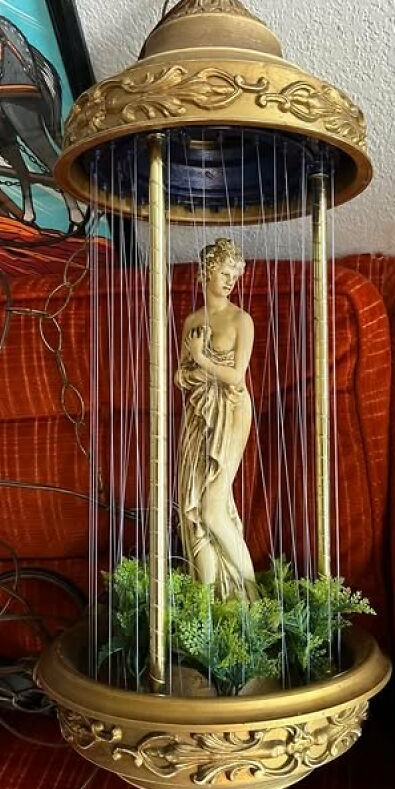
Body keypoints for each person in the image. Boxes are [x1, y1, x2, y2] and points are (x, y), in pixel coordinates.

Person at [175, 238, 259, 601]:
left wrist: (201, 359)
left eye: (234, 276)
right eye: (224, 273)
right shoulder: (192, 321)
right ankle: (207, 603)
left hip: (230, 410)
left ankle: (253, 600)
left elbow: (236, 377)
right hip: (198, 413)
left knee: (212, 509)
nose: (229, 281)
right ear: (207, 272)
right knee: (193, 510)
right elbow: (180, 376)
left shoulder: (241, 320)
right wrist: (191, 370)